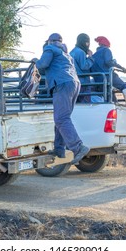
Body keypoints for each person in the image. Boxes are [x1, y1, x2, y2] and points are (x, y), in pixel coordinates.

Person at [33, 33, 90, 165]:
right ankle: (59, 149)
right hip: (74, 84)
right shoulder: (65, 53)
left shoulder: (50, 48)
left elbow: (43, 64)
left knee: (61, 118)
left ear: (50, 41)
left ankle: (78, 147)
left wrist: (36, 61)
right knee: (62, 117)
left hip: (62, 84)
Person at [91, 36, 126, 112]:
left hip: (99, 80)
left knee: (110, 96)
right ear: (107, 45)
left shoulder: (93, 56)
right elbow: (108, 62)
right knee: (124, 86)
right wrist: (120, 67)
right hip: (108, 75)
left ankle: (115, 108)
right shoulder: (106, 50)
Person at [69, 33, 94, 103]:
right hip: (83, 83)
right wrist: (90, 58)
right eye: (87, 42)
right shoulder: (80, 52)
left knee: (75, 103)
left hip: (74, 81)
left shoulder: (72, 52)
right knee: (85, 104)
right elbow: (84, 66)